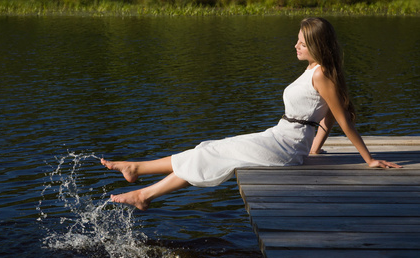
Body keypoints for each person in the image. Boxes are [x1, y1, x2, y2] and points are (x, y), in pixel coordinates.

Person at [101, 17, 401, 211]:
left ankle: (142, 187)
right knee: (207, 148)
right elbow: (325, 118)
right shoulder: (312, 70)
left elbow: (342, 119)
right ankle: (138, 175)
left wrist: (369, 159)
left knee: (210, 152)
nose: (296, 44)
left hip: (284, 146)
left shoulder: (322, 74)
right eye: (297, 38)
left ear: (317, 45)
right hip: (280, 137)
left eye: (302, 41)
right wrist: (314, 149)